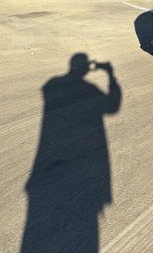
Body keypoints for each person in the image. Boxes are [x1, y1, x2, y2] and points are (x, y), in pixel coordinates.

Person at [21, 53, 121, 253]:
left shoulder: (52, 84)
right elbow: (112, 106)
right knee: (83, 227)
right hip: (82, 162)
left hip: (46, 164)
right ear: (85, 67)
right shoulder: (90, 89)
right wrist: (111, 75)